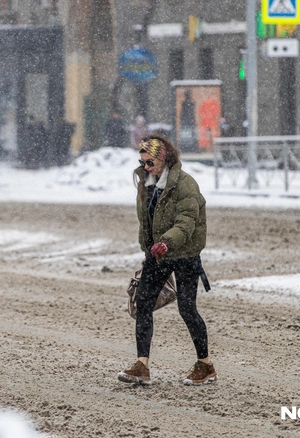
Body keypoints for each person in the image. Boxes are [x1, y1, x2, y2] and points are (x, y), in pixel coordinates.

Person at [117, 135, 216, 386]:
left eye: (150, 162)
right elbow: (147, 222)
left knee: (187, 308)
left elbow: (186, 221)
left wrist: (167, 242)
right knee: (143, 303)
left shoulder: (185, 185)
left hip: (184, 254)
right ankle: (142, 365)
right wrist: (148, 249)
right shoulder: (147, 183)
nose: (145, 167)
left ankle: (205, 365)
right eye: (142, 162)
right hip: (157, 255)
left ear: (163, 159)